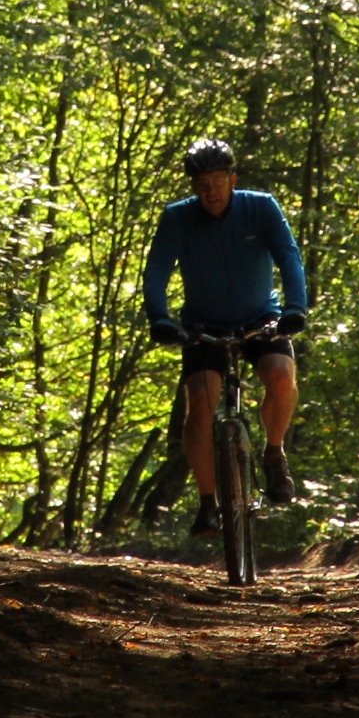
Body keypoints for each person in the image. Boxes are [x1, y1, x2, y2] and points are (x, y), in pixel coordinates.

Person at [141, 138, 310, 535]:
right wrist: (159, 318)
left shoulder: (261, 207)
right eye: (201, 182)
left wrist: (295, 308)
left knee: (281, 375)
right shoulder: (177, 218)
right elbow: (156, 272)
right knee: (199, 404)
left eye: (217, 180)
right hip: (203, 326)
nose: (210, 190)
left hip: (261, 318)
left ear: (232, 178)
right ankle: (208, 502)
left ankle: (274, 452)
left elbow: (289, 256)